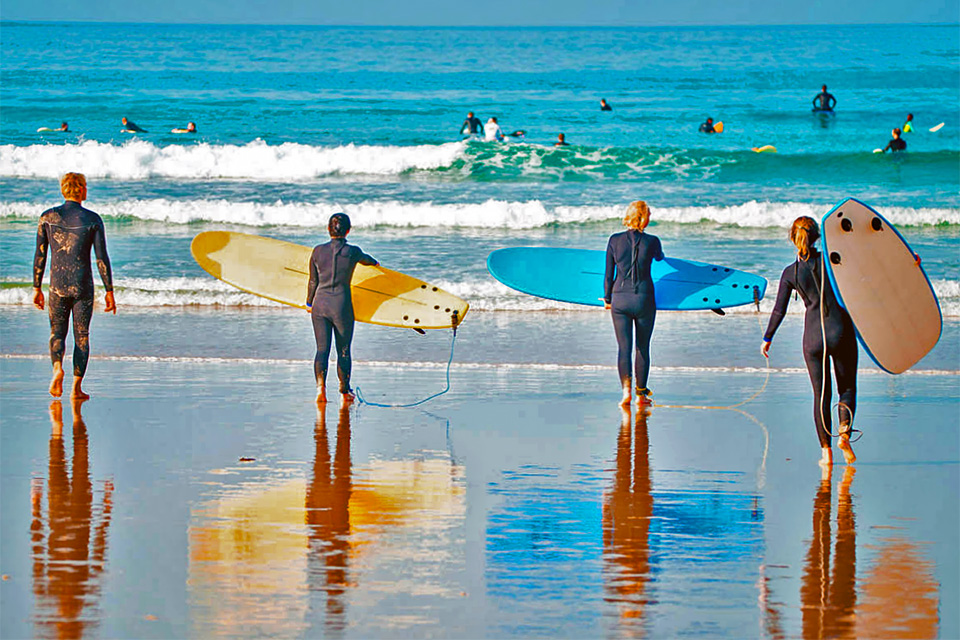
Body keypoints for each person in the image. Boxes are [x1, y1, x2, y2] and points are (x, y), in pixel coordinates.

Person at [761, 216, 857, 466]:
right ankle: (844, 432)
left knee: (820, 395)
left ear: (793, 239)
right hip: (840, 332)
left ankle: (826, 454)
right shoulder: (832, 261)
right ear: (817, 237)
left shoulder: (790, 273)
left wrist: (767, 337)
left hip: (812, 339)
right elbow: (868, 276)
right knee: (846, 388)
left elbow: (779, 310)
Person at [33, 173, 117, 399]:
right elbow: (102, 258)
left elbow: (40, 256)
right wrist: (109, 291)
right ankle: (76, 388)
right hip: (82, 286)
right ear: (81, 190)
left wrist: (36, 288)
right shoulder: (93, 219)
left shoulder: (47, 217)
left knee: (57, 333)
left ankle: (57, 369)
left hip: (57, 285)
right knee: (82, 336)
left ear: (64, 190)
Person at [306, 213, 378, 405]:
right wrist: (376, 263)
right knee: (343, 350)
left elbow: (313, 281)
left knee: (322, 349)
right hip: (341, 306)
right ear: (348, 230)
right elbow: (368, 260)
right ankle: (344, 392)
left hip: (320, 306)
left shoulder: (317, 251)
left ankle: (320, 389)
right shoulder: (353, 251)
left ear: (328, 229)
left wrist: (309, 303)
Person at [604, 200, 664, 407]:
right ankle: (641, 395)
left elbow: (608, 274)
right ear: (643, 217)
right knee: (642, 348)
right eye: (649, 214)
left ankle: (626, 392)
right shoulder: (653, 241)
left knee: (624, 348)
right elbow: (659, 257)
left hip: (620, 299)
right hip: (644, 299)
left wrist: (608, 299)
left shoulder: (614, 240)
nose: (650, 217)